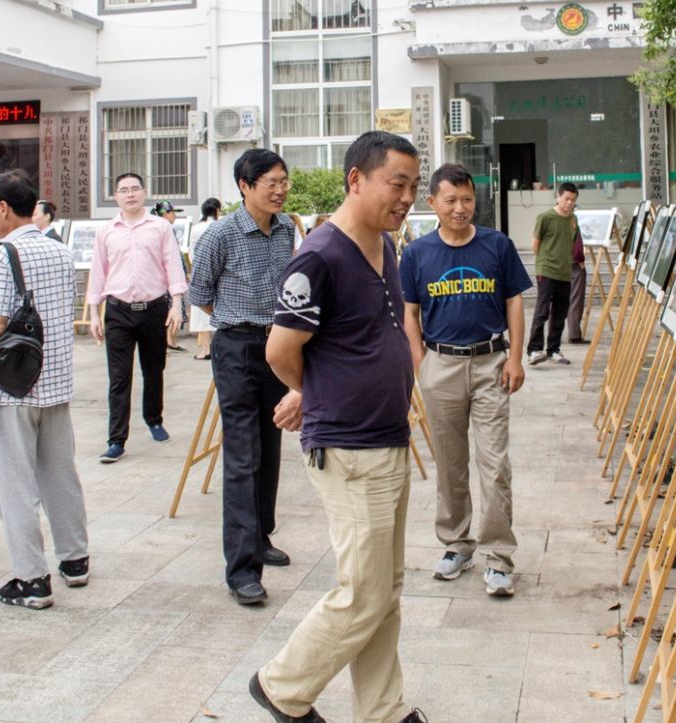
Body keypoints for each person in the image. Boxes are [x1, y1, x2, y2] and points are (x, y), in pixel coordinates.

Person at [256, 131, 427, 723]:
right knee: (362, 593)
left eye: (413, 185)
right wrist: (315, 391)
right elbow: (281, 350)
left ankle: (383, 709)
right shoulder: (320, 256)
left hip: (388, 436)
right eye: (396, 183)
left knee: (386, 589)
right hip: (351, 448)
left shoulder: (387, 245)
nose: (406, 196)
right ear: (356, 179)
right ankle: (282, 688)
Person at [0, 170, 90, 610]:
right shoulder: (59, 251)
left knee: (13, 484)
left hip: (13, 389)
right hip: (55, 383)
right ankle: (75, 560)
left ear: (4, 208)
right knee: (59, 473)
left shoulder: (4, 255)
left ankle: (30, 580)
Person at [400, 163, 531, 597]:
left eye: (468, 200)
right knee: (450, 464)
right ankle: (457, 544)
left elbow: (514, 302)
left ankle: (499, 557)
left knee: (494, 464)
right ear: (432, 203)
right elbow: (410, 313)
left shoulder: (497, 245)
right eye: (451, 200)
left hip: (490, 363)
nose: (460, 208)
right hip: (441, 366)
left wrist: (515, 357)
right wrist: (421, 363)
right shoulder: (417, 254)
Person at [189, 150, 298, 606]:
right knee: (241, 455)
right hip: (235, 347)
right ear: (244, 186)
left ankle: (260, 537)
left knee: (270, 446)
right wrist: (237, 321)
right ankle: (240, 570)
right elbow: (200, 294)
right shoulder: (220, 235)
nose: (279, 190)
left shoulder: (288, 229)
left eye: (283, 181)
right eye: (270, 182)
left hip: (277, 345)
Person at [86, 174, 188, 463]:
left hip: (154, 308)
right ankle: (116, 439)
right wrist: (95, 311)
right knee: (119, 377)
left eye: (135, 189)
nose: (130, 194)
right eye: (123, 190)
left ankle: (154, 419)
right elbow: (98, 272)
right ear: (116, 196)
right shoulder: (106, 231)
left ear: (144, 193)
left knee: (154, 369)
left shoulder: (160, 228)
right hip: (118, 311)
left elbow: (172, 265)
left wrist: (177, 304)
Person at [527, 182, 580, 365]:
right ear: (558, 197)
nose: (569, 203)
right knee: (542, 311)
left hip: (565, 272)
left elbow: (572, 242)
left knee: (560, 312)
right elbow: (535, 245)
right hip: (547, 270)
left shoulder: (573, 220)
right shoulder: (545, 217)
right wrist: (545, 262)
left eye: (573, 200)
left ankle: (553, 350)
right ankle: (534, 350)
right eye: (566, 199)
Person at [150, 200, 190, 352]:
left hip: (164, 277)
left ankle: (171, 340)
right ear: (164, 213)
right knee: (169, 308)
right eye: (172, 212)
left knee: (169, 308)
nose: (175, 216)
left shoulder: (159, 228)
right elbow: (173, 258)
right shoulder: (164, 229)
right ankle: (169, 340)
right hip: (167, 278)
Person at [187, 197, 221, 360]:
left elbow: (192, 254)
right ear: (217, 210)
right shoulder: (221, 225)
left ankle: (205, 349)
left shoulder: (196, 228)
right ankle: (219, 349)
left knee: (201, 314)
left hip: (201, 273)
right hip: (221, 275)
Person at [566, 224, 589, 345]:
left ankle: (552, 333)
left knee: (555, 301)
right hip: (573, 263)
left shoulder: (549, 220)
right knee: (575, 300)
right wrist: (580, 261)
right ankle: (574, 334)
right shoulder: (572, 222)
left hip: (556, 265)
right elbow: (577, 245)